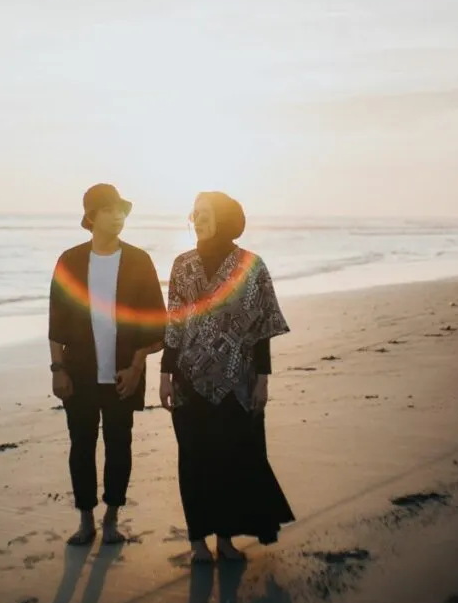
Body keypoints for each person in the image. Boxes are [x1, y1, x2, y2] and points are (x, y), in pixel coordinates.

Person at [160, 191, 295, 563]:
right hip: (188, 381)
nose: (197, 219)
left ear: (224, 217)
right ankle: (198, 544)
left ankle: (224, 541)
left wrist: (263, 379)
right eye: (194, 213)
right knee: (193, 462)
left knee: (229, 461)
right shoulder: (182, 265)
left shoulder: (251, 266)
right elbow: (173, 322)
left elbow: (262, 327)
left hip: (237, 382)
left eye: (205, 213)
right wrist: (165, 374)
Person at [48, 184, 165, 546]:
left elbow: (155, 322)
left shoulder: (139, 260)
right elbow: (56, 321)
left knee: (119, 445)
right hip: (79, 374)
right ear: (92, 217)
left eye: (122, 210)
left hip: (122, 375)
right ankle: (86, 520)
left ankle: (112, 517)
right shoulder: (69, 260)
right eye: (111, 209)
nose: (119, 216)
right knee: (81, 445)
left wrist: (136, 366)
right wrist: (58, 369)